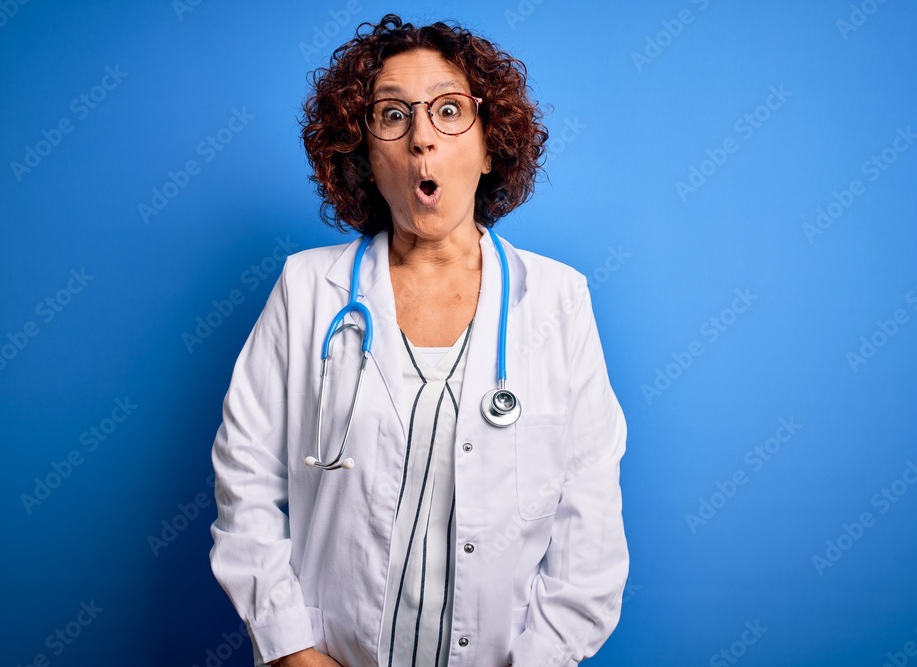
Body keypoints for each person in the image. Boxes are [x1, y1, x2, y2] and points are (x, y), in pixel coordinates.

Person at [209, 14, 628, 667]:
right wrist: (291, 648)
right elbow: (245, 477)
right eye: (393, 116)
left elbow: (591, 536)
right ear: (364, 154)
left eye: (449, 110)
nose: (422, 139)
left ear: (491, 147)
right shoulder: (306, 290)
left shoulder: (557, 301)